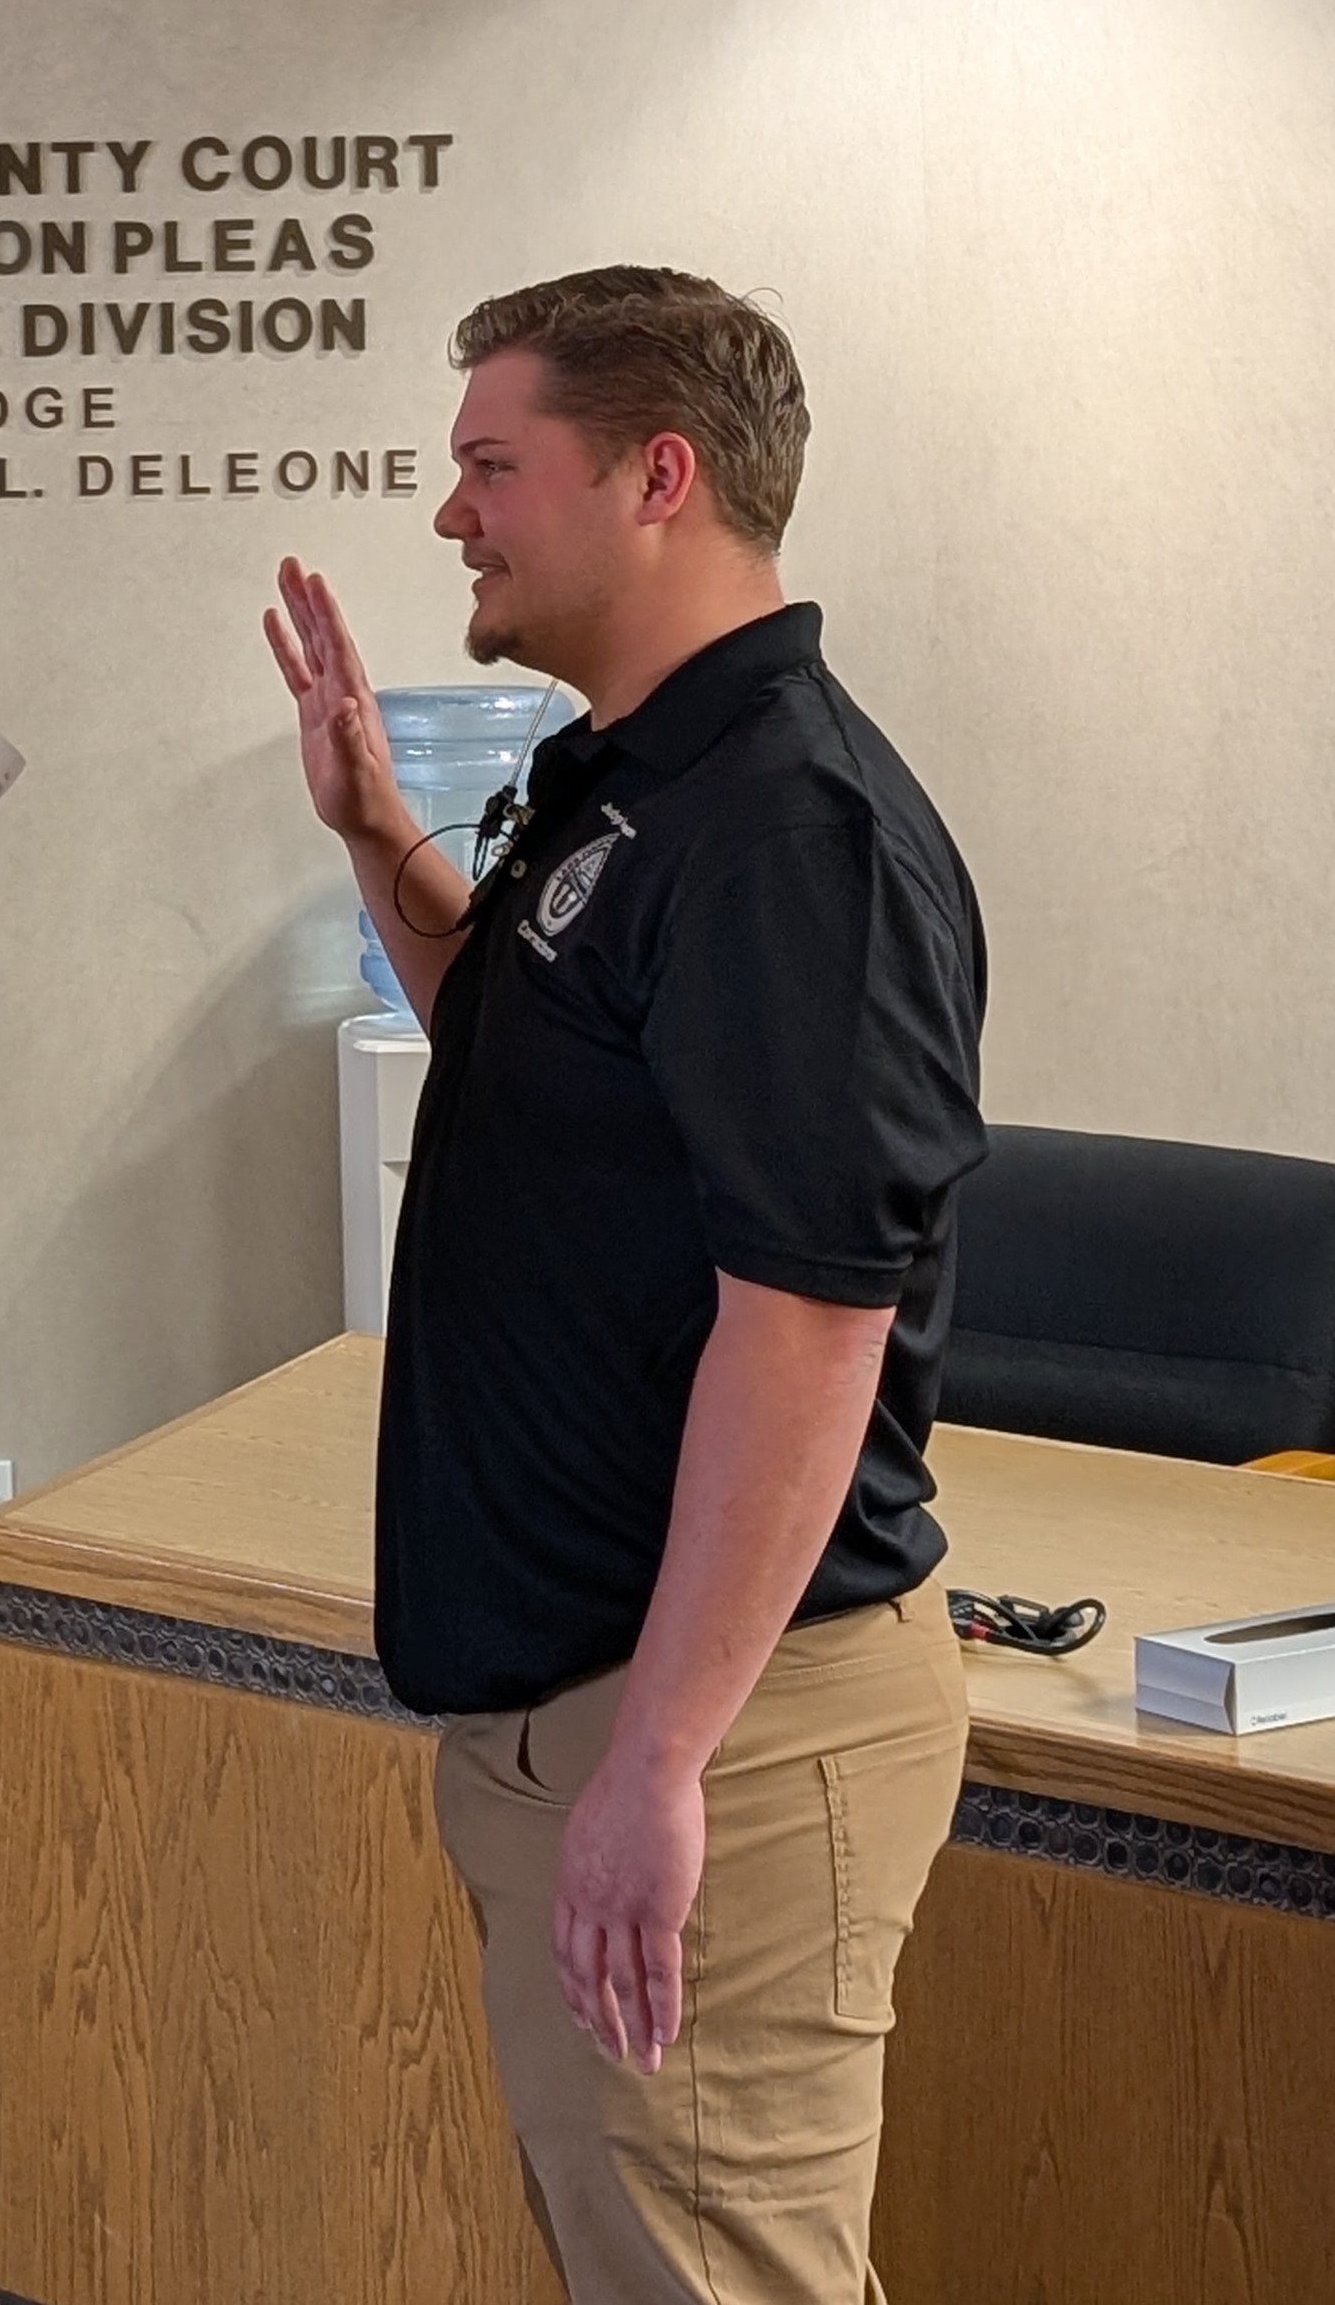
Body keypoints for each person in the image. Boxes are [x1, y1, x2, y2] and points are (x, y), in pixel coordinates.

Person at [265, 265, 984, 2305]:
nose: (448, 512)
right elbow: (526, 1046)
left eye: (492, 463)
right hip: (593, 1699)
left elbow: (815, 1313)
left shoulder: (788, 833)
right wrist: (372, 833)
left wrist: (659, 1759)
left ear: (656, 475)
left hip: (723, 1732)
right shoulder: (641, 773)